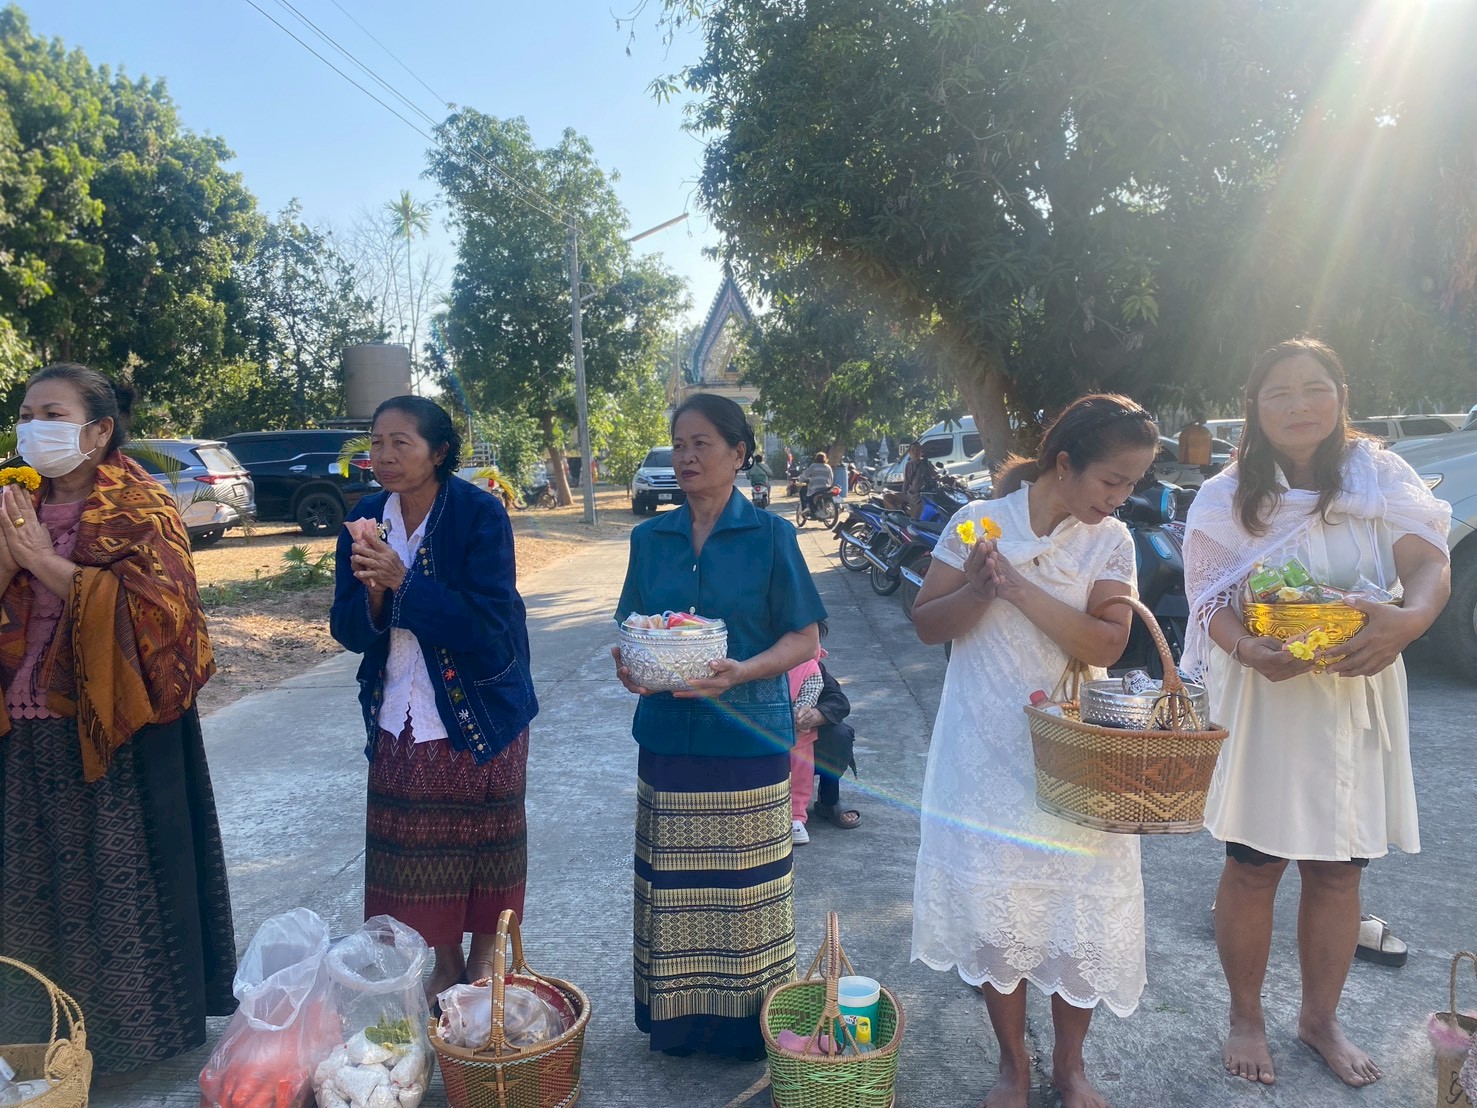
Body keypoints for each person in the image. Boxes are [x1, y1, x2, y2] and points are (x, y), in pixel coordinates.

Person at [1181, 337, 1450, 1089]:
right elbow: (1207, 599)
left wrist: (1408, 622)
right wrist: (1248, 648)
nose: (1298, 405)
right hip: (1265, 699)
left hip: (1356, 690)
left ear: (1340, 396)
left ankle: (1319, 1019)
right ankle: (1244, 1017)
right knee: (1253, 865)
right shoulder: (1226, 494)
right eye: (1279, 392)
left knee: (1338, 872)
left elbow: (1428, 562)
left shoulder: (1379, 475)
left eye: (1314, 388)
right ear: (1253, 407)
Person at [910, 394, 1160, 1108]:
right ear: (1064, 463)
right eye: (1111, 480)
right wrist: (979, 590)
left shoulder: (1111, 541)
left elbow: (1106, 643)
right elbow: (927, 624)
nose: (1119, 497)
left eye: (1131, 484)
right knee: (1001, 907)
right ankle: (1013, 1066)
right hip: (984, 742)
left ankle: (1071, 1068)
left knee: (1082, 903)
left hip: (1076, 750)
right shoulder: (979, 523)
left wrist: (1017, 589)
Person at [0, 363, 233, 1080]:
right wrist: (9, 557)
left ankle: (132, 1040)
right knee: (30, 884)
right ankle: (36, 1041)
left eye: (53, 414)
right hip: (23, 725)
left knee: (116, 883)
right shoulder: (10, 501)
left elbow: (160, 616)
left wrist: (39, 560)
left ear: (98, 430)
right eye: (26, 413)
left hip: (114, 725)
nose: (33, 427)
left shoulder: (143, 507)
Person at [612, 392, 827, 1059]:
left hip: (746, 737)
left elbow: (805, 638)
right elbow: (636, 627)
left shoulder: (772, 536)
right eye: (678, 445)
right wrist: (633, 666)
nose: (685, 457)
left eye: (700, 444)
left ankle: (747, 1026)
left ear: (738, 454)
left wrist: (742, 672)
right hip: (668, 737)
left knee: (745, 891)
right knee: (674, 886)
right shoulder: (650, 539)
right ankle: (679, 1022)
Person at [331, 395, 539, 1000]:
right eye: (377, 443)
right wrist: (373, 596)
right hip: (398, 709)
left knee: (489, 846)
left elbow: (486, 624)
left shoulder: (478, 514)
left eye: (402, 443)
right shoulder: (366, 516)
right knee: (416, 855)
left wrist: (402, 581)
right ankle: (444, 965)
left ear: (439, 450)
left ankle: (485, 965)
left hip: (480, 709)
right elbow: (347, 628)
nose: (385, 456)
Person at [802, 659, 862, 830]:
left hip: (802, 735)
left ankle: (829, 801)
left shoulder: (808, 664)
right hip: (764, 737)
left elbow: (838, 701)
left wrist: (815, 715)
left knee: (839, 734)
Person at [903, 440, 937, 519]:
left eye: (917, 450)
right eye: (913, 450)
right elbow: (906, 481)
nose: (915, 452)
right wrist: (904, 494)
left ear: (921, 451)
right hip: (911, 494)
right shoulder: (908, 465)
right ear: (909, 453)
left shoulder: (926, 463)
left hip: (922, 495)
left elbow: (935, 474)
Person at [802, 451, 834, 516]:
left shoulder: (813, 466)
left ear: (816, 458)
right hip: (826, 488)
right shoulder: (828, 467)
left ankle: (811, 511)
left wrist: (799, 479)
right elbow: (832, 477)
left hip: (815, 488)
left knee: (804, 492)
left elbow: (805, 475)